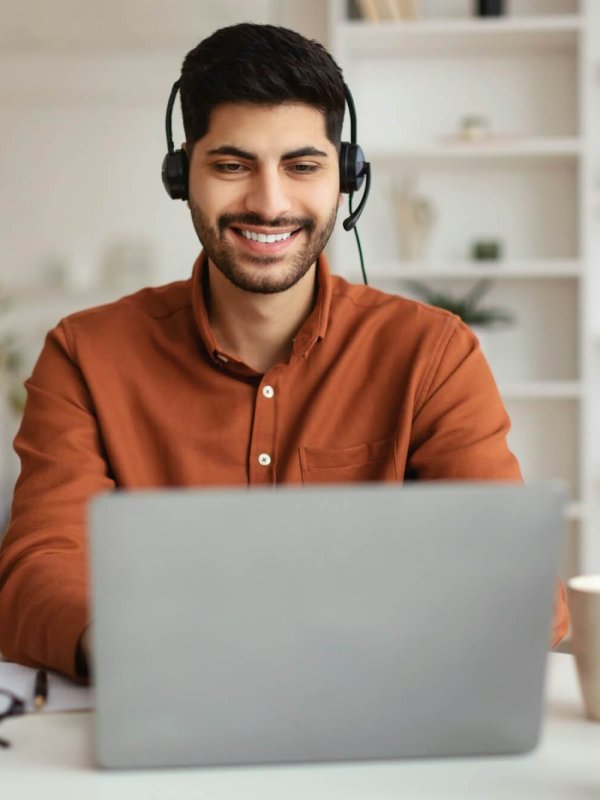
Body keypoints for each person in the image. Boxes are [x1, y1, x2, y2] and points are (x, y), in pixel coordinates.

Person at [0, 23, 569, 681]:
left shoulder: (433, 354)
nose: (269, 204)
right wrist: (129, 648)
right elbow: (39, 567)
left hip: (381, 712)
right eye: (232, 165)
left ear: (347, 177)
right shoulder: (84, 353)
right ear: (182, 175)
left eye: (302, 166)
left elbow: (520, 584)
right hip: (162, 703)